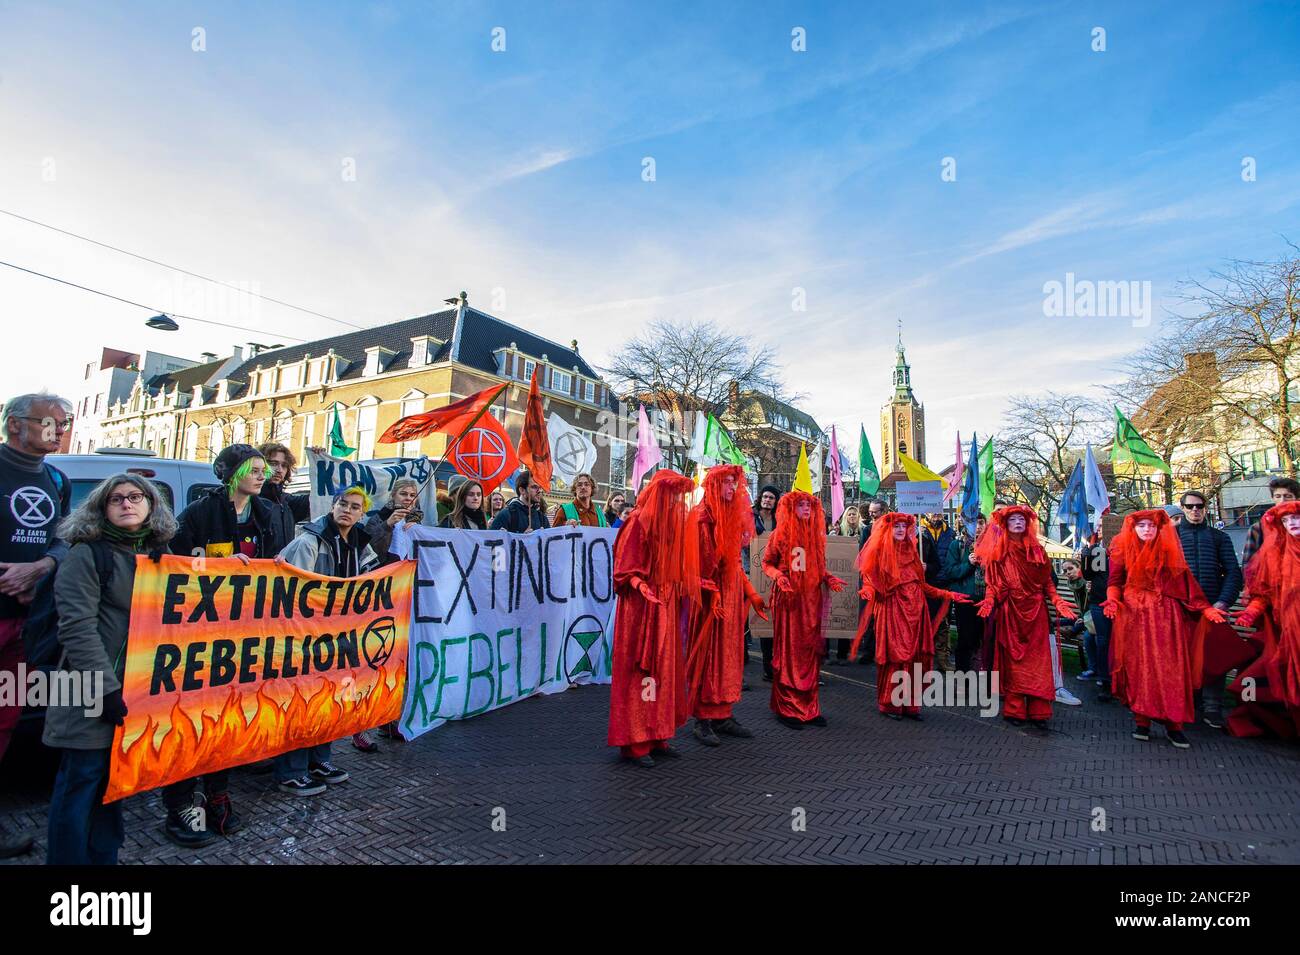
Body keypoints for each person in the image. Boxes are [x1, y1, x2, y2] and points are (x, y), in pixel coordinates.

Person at [161, 443, 290, 845]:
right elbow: (171, 566)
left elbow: (278, 566)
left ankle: (218, 795)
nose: (262, 475)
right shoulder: (198, 514)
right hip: (198, 637)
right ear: (229, 473)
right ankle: (181, 804)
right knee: (189, 722)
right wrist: (222, 567)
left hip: (243, 636)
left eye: (264, 469)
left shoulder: (267, 515)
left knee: (226, 721)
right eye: (253, 468)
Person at [44, 474, 175, 864]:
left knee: (114, 786)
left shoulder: (159, 555)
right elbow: (76, 627)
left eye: (136, 497)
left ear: (152, 506)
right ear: (102, 508)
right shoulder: (86, 555)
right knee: (80, 783)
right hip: (89, 690)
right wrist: (104, 689)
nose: (126, 503)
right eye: (116, 499)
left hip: (135, 693)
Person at [0, 391, 73, 858]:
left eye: (65, 423)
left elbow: (64, 539)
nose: (60, 430)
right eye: (52, 423)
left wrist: (42, 567)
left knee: (5, 721)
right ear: (14, 425)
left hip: (25, 625)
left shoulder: (57, 479)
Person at [274, 486, 379, 787]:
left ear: (361, 514)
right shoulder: (309, 542)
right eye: (342, 504)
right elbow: (288, 587)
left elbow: (373, 577)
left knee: (329, 699)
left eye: (355, 507)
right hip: (307, 636)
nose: (347, 510)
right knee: (301, 701)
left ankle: (320, 760)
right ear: (332, 506)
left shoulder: (360, 543)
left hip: (339, 635)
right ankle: (291, 771)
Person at [1103, 509, 1226, 749]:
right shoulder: (1122, 550)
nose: (1147, 529)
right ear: (1134, 528)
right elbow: (1114, 582)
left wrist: (1206, 609)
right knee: (1140, 668)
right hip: (1134, 618)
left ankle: (1174, 725)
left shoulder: (1170, 552)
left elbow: (1187, 585)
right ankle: (1142, 720)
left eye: (1152, 526)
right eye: (1142, 526)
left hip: (1166, 619)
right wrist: (1112, 600)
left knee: (1172, 669)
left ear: (1160, 528)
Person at [607, 469, 700, 767]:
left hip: (666, 605)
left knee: (663, 671)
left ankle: (658, 733)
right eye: (672, 496)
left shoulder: (673, 526)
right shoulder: (636, 522)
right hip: (641, 609)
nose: (676, 502)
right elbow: (623, 568)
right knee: (641, 672)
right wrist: (641, 586)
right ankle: (636, 741)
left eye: (678, 497)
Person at [855, 512, 971, 719]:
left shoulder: (913, 552)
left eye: (903, 527)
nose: (900, 530)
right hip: (893, 613)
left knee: (916, 659)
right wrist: (868, 591)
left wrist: (947, 594)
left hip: (917, 615)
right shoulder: (880, 553)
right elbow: (871, 581)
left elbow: (922, 586)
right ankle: (890, 703)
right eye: (896, 526)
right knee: (895, 658)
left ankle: (910, 703)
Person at [976, 505, 1076, 728]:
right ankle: (1015, 709)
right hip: (1011, 613)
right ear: (1006, 524)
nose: (1018, 522)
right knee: (1014, 661)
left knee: (1039, 661)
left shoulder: (1038, 550)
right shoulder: (998, 552)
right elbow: (993, 583)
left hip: (1036, 614)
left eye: (1022, 519)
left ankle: (1039, 710)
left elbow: (1047, 582)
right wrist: (990, 600)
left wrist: (1057, 601)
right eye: (1013, 520)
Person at [686, 465, 764, 746]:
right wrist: (711, 592)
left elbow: (734, 565)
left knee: (729, 655)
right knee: (709, 656)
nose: (733, 489)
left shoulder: (730, 517)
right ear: (714, 486)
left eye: (735, 483)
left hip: (729, 598)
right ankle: (703, 718)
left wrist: (752, 594)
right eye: (727, 484)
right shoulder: (702, 519)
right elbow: (695, 568)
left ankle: (723, 712)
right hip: (709, 600)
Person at [763, 490, 846, 729]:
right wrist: (779, 576)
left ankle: (809, 708)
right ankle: (786, 707)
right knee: (789, 651)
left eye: (809, 505)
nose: (807, 509)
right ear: (791, 508)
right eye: (801, 505)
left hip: (811, 600)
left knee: (810, 650)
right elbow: (767, 563)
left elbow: (817, 568)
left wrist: (828, 578)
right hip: (789, 600)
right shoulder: (780, 534)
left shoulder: (815, 536)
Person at [1230, 500, 1300, 736]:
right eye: (1287, 520)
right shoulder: (1275, 555)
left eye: (1297, 518)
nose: (1293, 523)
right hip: (1287, 638)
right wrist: (1251, 612)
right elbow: (1264, 594)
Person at [1174, 489, 1243, 729]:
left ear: (1205, 508)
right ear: (1182, 508)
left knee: (1214, 658)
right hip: (1180, 610)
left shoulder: (1218, 537)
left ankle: (1212, 707)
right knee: (1181, 658)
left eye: (1200, 506)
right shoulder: (1171, 537)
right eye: (1190, 506)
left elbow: (1233, 573)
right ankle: (1189, 703)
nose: (1195, 510)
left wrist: (1222, 602)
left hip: (1212, 607)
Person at [943, 514, 988, 671]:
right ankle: (962, 679)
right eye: (974, 523)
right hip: (966, 600)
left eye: (981, 523)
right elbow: (950, 571)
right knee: (965, 641)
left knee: (986, 641)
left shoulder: (993, 545)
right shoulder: (958, 545)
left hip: (987, 600)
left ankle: (986, 680)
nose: (978, 527)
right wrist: (968, 564)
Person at [1078, 531, 1114, 702]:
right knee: (1103, 641)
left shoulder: (1125, 549)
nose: (1101, 530)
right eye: (1099, 527)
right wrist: (1089, 551)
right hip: (1100, 601)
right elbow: (1088, 574)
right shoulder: (1097, 551)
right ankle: (1105, 680)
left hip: (1121, 602)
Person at [751, 485, 780, 681]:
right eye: (766, 496)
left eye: (771, 498)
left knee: (769, 620)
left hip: (772, 573)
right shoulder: (751, 518)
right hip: (751, 571)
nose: (767, 500)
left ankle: (769, 668)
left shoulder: (779, 521)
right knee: (750, 621)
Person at [920, 512, 956, 670]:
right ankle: (923, 659)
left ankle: (943, 660)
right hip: (923, 583)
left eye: (939, 509)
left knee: (943, 623)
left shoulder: (951, 532)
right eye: (932, 509)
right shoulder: (917, 531)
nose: (936, 513)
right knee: (923, 621)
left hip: (943, 582)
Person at [1241, 477, 1300, 571]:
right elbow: (1248, 566)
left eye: (1287, 496)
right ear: (1272, 498)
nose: (1282, 501)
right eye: (1278, 496)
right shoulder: (1258, 529)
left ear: (1297, 498)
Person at [363, 477, 424, 566]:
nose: (408, 498)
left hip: (407, 572)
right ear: (393, 495)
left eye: (412, 495)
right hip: (384, 572)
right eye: (403, 494)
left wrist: (418, 532)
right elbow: (369, 550)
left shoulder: (417, 520)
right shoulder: (379, 518)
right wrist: (387, 525)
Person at [258, 441, 310, 525]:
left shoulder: (288, 503)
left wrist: (320, 459)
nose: (279, 470)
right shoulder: (249, 501)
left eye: (284, 465)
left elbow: (320, 497)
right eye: (273, 464)